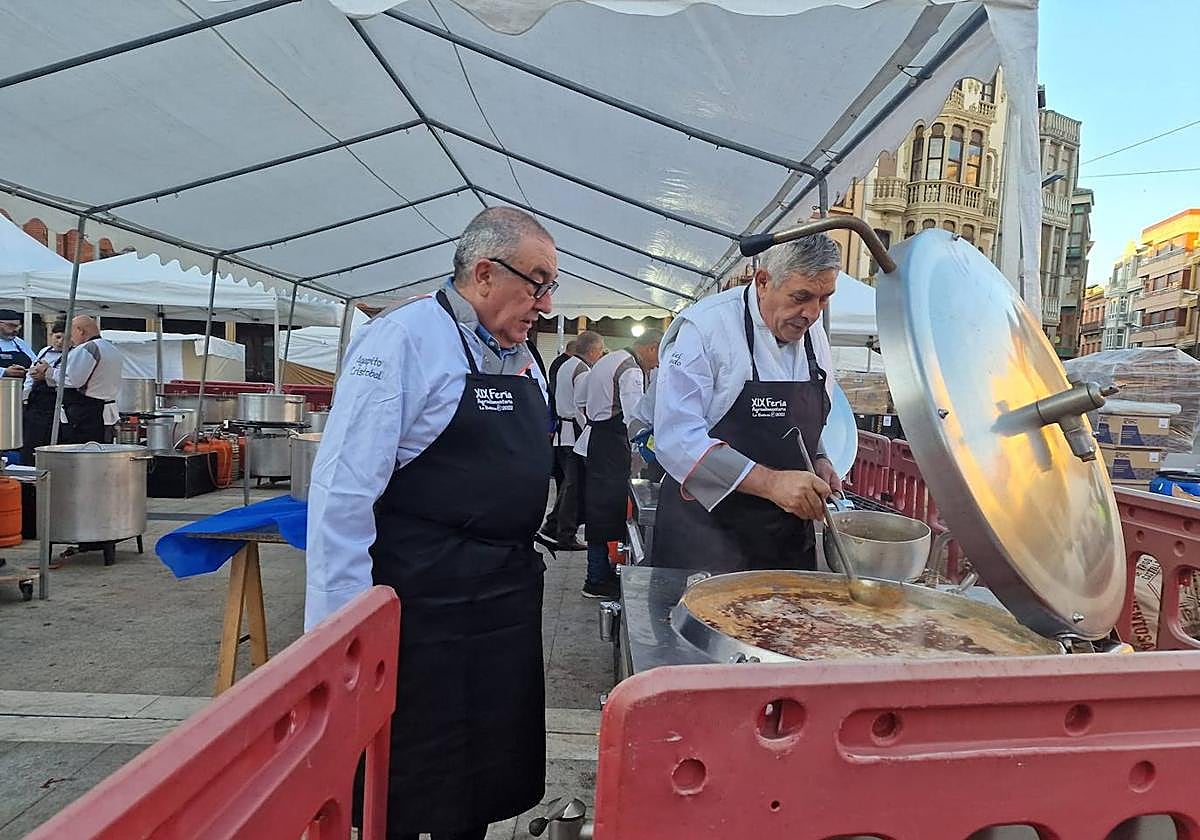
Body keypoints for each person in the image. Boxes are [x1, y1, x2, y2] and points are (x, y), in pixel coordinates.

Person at [305, 206, 558, 840]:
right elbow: (343, 492)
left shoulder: (523, 356)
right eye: (537, 283)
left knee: (484, 762)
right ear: (483, 272)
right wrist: (338, 633)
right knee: (415, 764)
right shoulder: (403, 341)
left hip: (503, 595)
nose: (545, 304)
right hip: (424, 598)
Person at [650, 233, 844, 572]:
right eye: (802, 296)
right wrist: (771, 483)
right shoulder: (706, 329)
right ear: (764, 281)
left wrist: (819, 458)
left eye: (824, 299)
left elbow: (800, 421)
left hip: (785, 544)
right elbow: (676, 439)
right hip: (707, 538)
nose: (812, 313)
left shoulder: (814, 336)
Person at [578, 328, 661, 598]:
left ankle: (598, 572)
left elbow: (582, 401)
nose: (658, 363)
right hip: (611, 444)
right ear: (651, 347)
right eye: (658, 355)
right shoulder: (631, 369)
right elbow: (634, 418)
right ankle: (596, 578)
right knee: (607, 509)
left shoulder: (607, 359)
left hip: (596, 439)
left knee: (597, 508)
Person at [540, 330, 604, 550]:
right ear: (594, 350)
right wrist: (588, 427)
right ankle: (565, 534)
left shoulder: (567, 365)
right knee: (574, 487)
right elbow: (581, 404)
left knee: (569, 485)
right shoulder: (582, 370)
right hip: (573, 432)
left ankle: (553, 524)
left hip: (563, 431)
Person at [45, 316, 122, 445]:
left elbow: (74, 380)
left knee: (81, 453)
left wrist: (48, 372)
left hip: (85, 412)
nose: (70, 338)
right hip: (101, 409)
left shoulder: (88, 348)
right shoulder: (111, 348)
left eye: (71, 332)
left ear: (80, 331)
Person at [22, 317, 65, 464]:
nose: (60, 342)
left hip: (53, 403)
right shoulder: (44, 351)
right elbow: (30, 374)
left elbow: (64, 378)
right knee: (30, 441)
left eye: (64, 338)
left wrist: (45, 374)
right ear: (51, 336)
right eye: (57, 337)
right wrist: (25, 396)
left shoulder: (72, 355)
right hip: (35, 403)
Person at [0, 309, 35, 379]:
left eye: (18, 326)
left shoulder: (19, 343)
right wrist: (4, 371)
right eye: (11, 325)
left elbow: (35, 362)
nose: (16, 330)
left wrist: (29, 370)